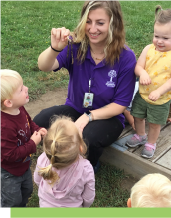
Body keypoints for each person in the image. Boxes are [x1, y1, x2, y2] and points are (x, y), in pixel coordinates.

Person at [33, 0, 136, 172]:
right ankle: (58, 157)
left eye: (100, 23)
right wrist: (54, 49)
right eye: (88, 21)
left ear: (113, 23)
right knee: (41, 121)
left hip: (108, 116)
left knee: (88, 138)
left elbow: (120, 104)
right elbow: (44, 66)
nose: (92, 29)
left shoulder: (126, 57)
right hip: (75, 107)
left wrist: (88, 117)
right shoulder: (75, 45)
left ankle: (89, 165)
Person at [125, 5, 171, 158]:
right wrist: (142, 73)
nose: (159, 41)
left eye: (165, 38)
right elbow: (138, 66)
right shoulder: (148, 49)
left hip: (160, 98)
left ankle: (151, 142)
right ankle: (141, 135)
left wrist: (159, 91)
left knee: (155, 123)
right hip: (143, 94)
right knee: (138, 116)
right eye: (157, 36)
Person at [0, 69, 47, 208]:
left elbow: (29, 122)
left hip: (23, 164)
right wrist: (33, 144)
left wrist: (36, 129)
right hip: (8, 171)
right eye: (21, 89)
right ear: (8, 102)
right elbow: (9, 155)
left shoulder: (19, 108)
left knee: (27, 190)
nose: (26, 89)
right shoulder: (4, 127)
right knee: (11, 200)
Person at [34, 116, 95, 207]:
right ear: (81, 148)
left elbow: (37, 180)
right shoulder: (85, 168)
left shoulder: (43, 159)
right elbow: (88, 198)